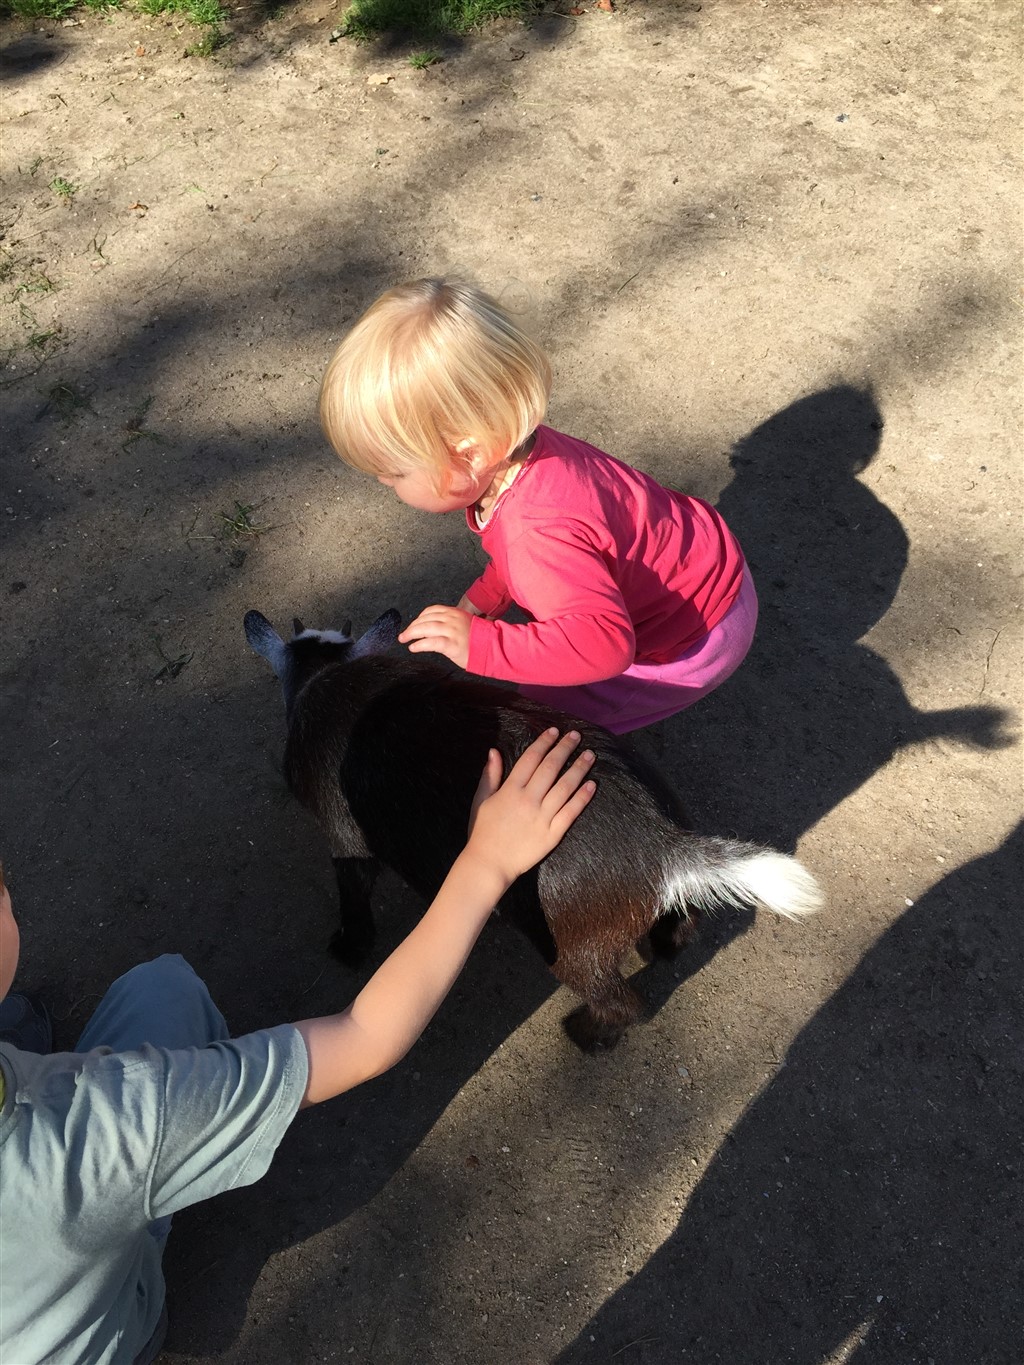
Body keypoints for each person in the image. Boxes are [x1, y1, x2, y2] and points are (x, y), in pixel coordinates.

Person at [0, 730, 595, 1365]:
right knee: (165, 989)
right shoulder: (116, 1120)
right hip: (99, 1338)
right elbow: (362, 1038)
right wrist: (486, 864)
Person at [319, 277, 757, 734]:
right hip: (710, 565)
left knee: (542, 720)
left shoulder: (536, 532)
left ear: (471, 455)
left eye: (395, 472)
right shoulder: (526, 455)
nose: (383, 481)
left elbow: (605, 646)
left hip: (694, 637)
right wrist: (490, 593)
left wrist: (480, 646)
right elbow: (544, 547)